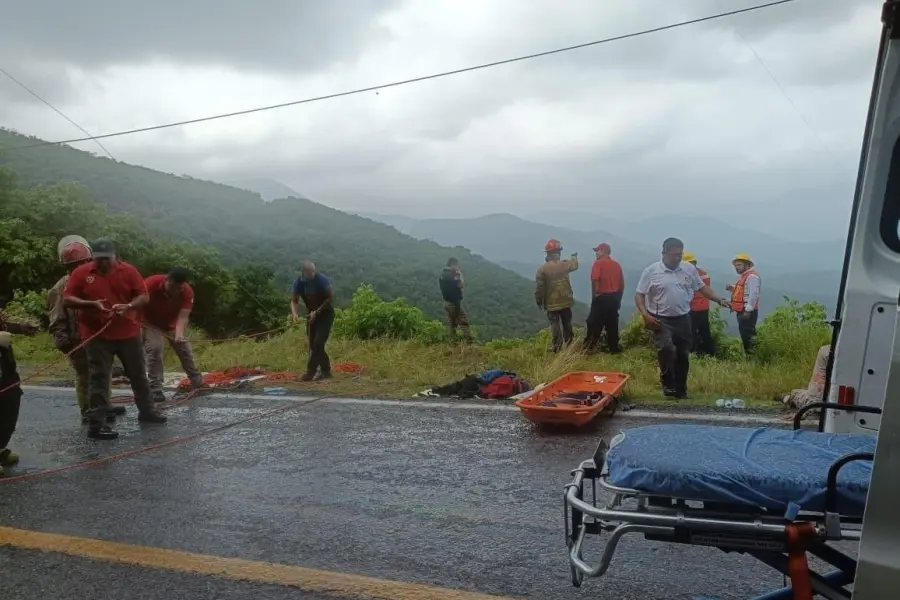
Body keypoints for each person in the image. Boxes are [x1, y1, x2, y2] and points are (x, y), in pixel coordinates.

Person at [63, 238, 167, 440]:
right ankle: (97, 424)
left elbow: (143, 297)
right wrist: (91, 304)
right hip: (97, 334)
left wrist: (128, 306)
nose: (102, 263)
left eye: (107, 259)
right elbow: (68, 300)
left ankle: (147, 411)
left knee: (137, 373)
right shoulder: (82, 273)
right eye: (98, 259)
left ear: (115, 256)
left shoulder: (128, 271)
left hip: (128, 332)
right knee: (99, 378)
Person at [635, 238, 729, 399]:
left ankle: (680, 388)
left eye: (680, 254)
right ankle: (668, 384)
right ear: (664, 253)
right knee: (666, 349)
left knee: (683, 354)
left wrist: (719, 300)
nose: (678, 258)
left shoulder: (688, 269)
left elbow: (702, 288)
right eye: (674, 255)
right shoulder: (651, 271)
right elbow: (639, 294)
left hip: (683, 318)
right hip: (660, 319)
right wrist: (645, 315)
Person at [47, 235, 125, 423]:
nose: (79, 268)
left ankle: (104, 405)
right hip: (76, 339)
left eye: (82, 263)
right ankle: (87, 411)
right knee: (84, 376)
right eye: (75, 265)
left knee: (102, 373)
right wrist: (61, 337)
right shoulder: (60, 288)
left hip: (99, 337)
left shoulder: (95, 279)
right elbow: (56, 316)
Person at [142, 267, 204, 403]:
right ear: (167, 281)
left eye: (180, 288)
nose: (177, 291)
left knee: (185, 349)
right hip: (150, 322)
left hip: (172, 323)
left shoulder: (187, 291)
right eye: (174, 287)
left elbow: (183, 316)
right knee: (155, 349)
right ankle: (156, 388)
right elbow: (139, 302)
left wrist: (180, 334)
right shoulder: (151, 284)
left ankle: (197, 382)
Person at [0, 310, 38, 476]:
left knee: (10, 402)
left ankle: (0, 449)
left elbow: (3, 322)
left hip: (5, 367)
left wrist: (22, 326)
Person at [290, 261, 335, 381]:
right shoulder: (298, 283)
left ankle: (310, 373)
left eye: (313, 272)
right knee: (313, 345)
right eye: (309, 273)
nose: (312, 274)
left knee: (318, 343)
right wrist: (295, 314)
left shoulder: (322, 280)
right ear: (303, 272)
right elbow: (294, 301)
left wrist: (317, 312)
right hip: (311, 315)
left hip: (325, 314)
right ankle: (326, 371)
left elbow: (330, 298)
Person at [535, 239, 579, 352]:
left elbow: (540, 287)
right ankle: (569, 343)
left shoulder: (542, 269)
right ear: (558, 253)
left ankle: (557, 346)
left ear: (548, 253)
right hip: (566, 299)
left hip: (552, 302)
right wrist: (574, 257)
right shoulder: (565, 264)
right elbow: (575, 265)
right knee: (567, 322)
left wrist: (539, 299)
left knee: (554, 323)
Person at [583, 242, 625, 353]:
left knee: (593, 322)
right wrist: (618, 299)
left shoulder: (598, 263)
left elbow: (595, 279)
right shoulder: (617, 265)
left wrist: (595, 297)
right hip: (614, 298)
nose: (596, 253)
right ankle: (614, 348)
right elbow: (621, 285)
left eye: (597, 251)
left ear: (603, 251)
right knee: (612, 324)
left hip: (602, 297)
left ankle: (589, 347)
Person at [683, 251, 716, 357]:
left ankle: (692, 352)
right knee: (704, 330)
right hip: (704, 306)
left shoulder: (689, 275)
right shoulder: (703, 273)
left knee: (690, 331)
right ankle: (709, 353)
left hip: (693, 307)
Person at [727, 253, 761, 354]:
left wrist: (748, 310)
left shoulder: (752, 277)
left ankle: (753, 356)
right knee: (745, 334)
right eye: (736, 265)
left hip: (747, 311)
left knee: (748, 335)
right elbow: (744, 291)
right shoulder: (745, 276)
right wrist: (732, 288)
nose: (737, 268)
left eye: (739, 265)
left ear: (748, 265)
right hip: (742, 309)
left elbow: (753, 294)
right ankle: (751, 355)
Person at [781, 345, 830, 414]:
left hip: (819, 403)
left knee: (797, 395)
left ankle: (788, 397)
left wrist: (806, 413)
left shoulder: (826, 351)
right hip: (833, 400)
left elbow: (816, 398)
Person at [439, 257, 473, 343]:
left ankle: (452, 342)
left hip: (446, 303)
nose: (458, 267)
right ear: (453, 265)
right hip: (454, 304)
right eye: (457, 265)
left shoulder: (443, 275)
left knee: (452, 324)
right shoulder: (452, 275)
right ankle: (469, 343)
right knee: (464, 321)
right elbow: (461, 285)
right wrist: (459, 274)